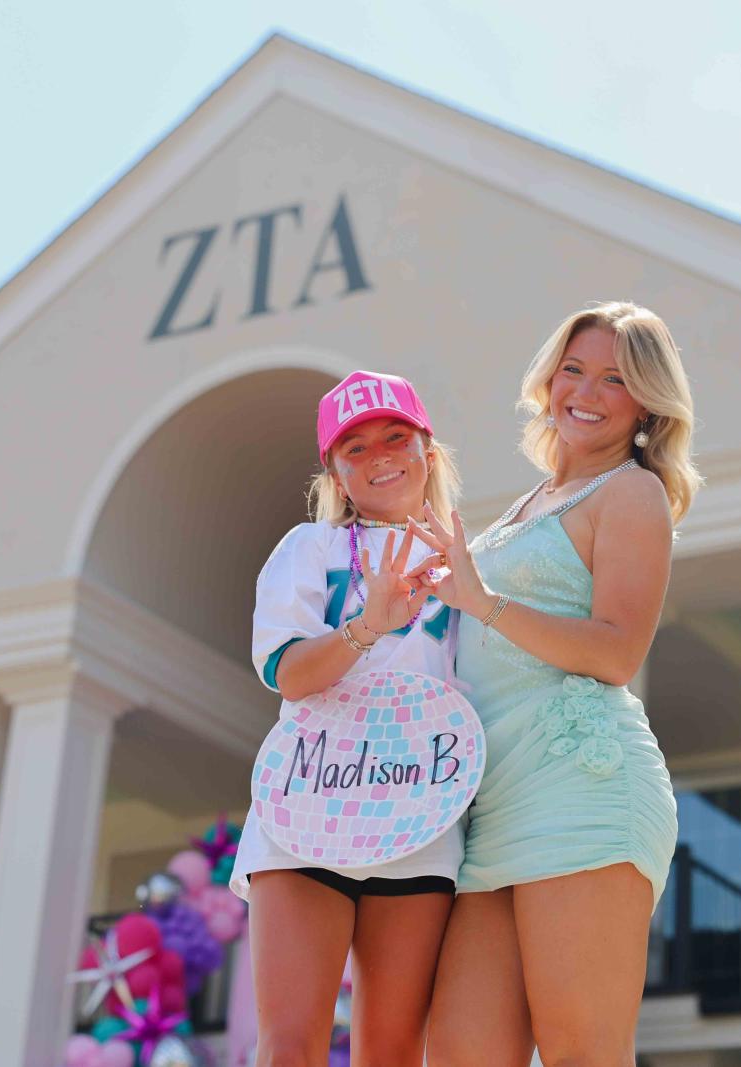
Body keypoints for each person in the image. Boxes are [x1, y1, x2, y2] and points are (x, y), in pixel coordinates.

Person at [410, 302, 702, 1066]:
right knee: (461, 1053)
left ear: (644, 404)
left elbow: (615, 652)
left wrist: (483, 599)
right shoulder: (521, 506)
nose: (587, 390)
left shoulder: (631, 493)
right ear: (548, 378)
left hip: (581, 785)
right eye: (574, 368)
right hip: (489, 803)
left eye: (614, 378)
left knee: (583, 1054)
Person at [230, 369, 465, 1067]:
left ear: (429, 449)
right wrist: (369, 625)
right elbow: (288, 672)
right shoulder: (309, 549)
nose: (380, 455)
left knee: (392, 1052)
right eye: (354, 447)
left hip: (419, 821)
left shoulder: (466, 563)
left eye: (397, 436)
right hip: (309, 807)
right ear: (333, 468)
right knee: (291, 1048)